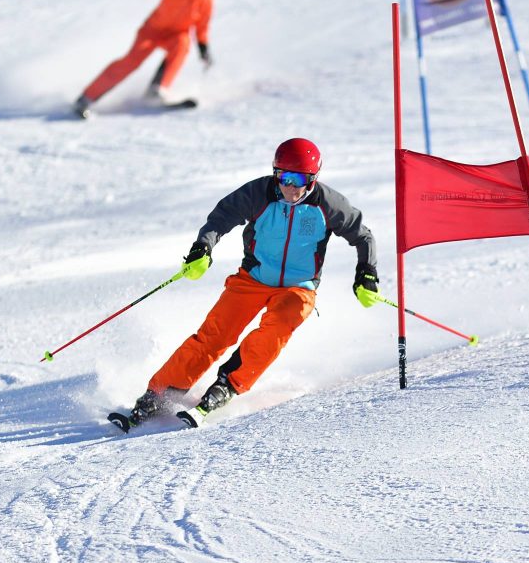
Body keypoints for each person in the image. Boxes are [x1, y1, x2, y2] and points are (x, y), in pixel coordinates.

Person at [123, 137, 383, 430]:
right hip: (253, 278)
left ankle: (227, 385)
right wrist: (203, 247)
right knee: (214, 335)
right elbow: (221, 217)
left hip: (298, 287)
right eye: (284, 177)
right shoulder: (259, 193)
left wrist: (366, 272)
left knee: (278, 327)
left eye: (299, 179)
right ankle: (159, 394)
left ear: (314, 178)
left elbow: (363, 236)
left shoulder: (328, 204)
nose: (291, 187)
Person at [73, 0, 214, 118]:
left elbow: (202, 26)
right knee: (131, 62)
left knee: (182, 44)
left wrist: (204, 48)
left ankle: (157, 90)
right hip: (152, 31)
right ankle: (86, 98)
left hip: (176, 34)